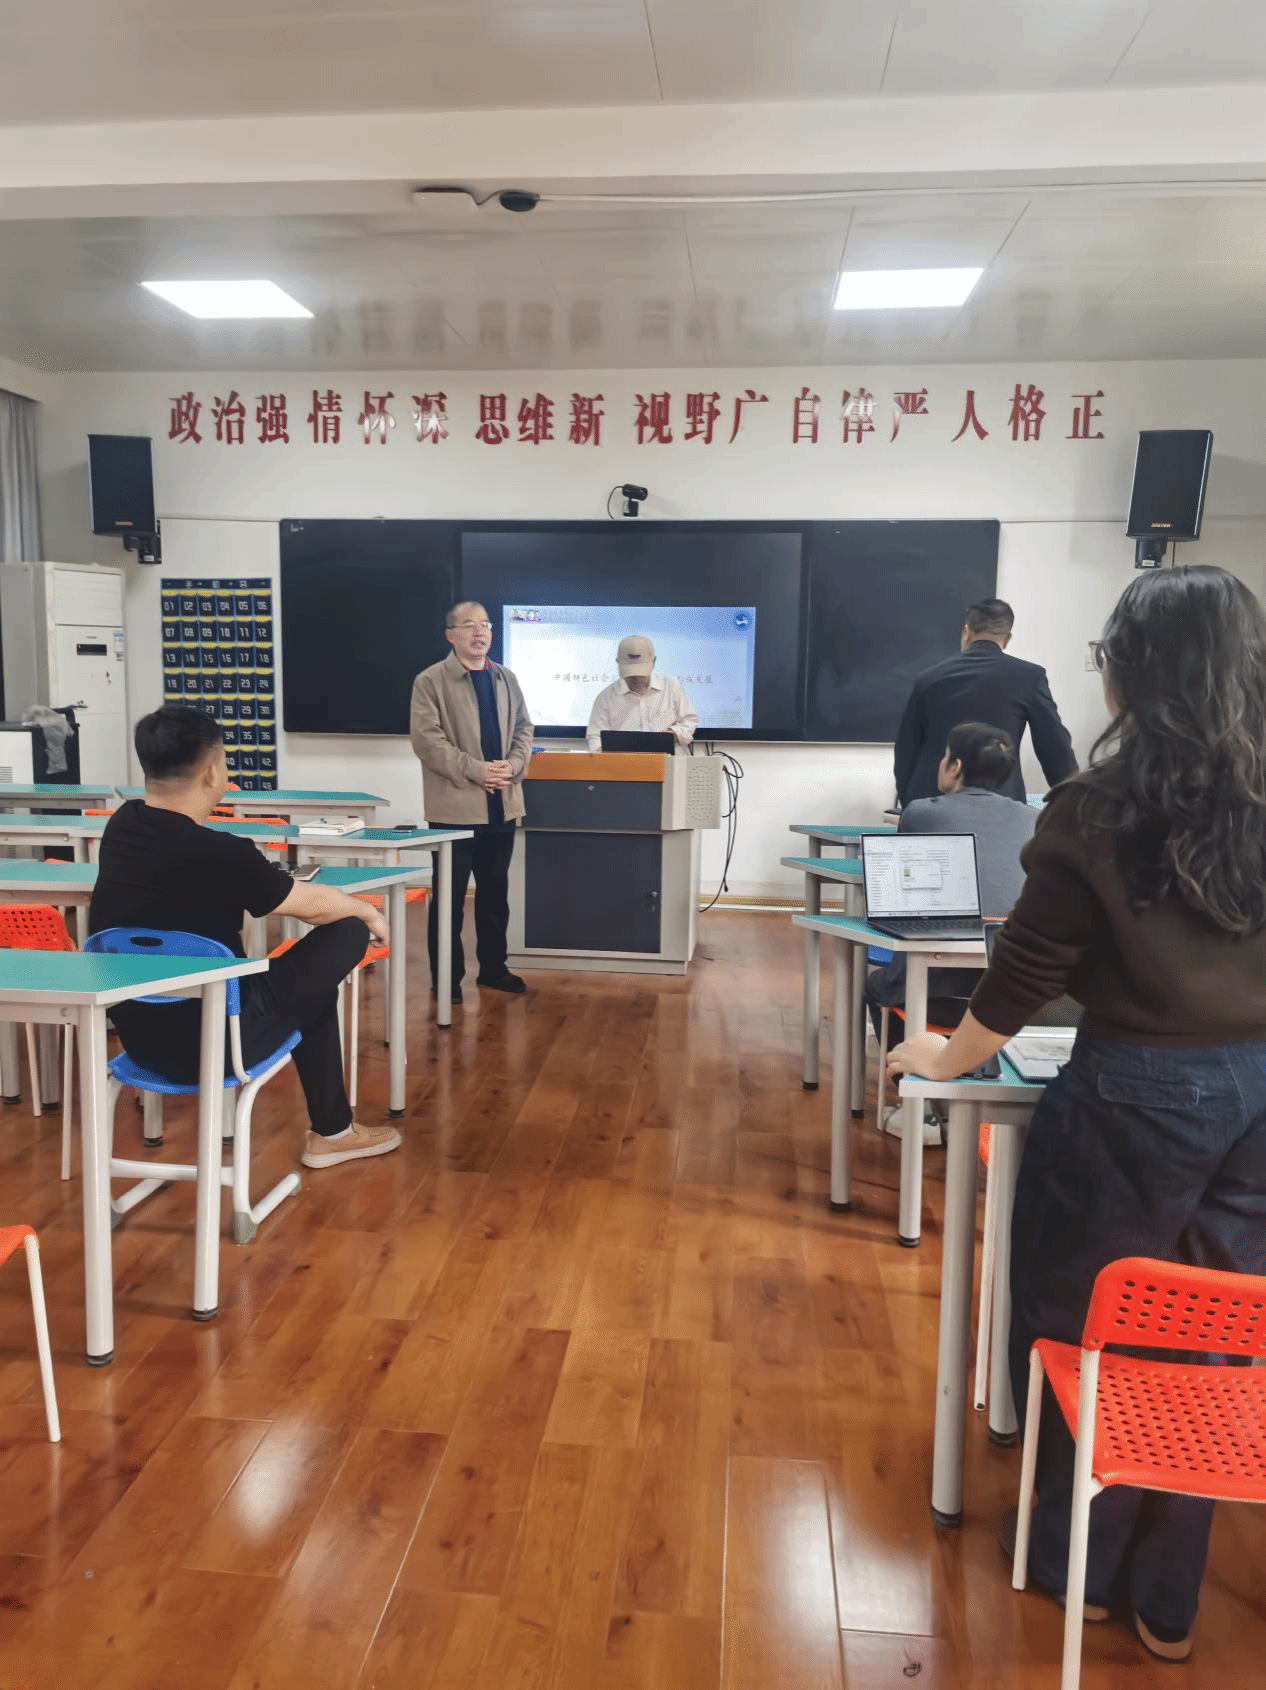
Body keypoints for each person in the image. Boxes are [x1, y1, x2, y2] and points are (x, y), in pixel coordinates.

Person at [887, 566, 1266, 1666]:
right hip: (1260, 1097)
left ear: (1129, 674)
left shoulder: (1099, 806)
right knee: (1216, 1330)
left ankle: (1075, 1570)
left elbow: (1021, 974)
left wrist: (942, 1054)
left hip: (1136, 1091)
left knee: (1085, 1320)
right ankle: (1167, 1597)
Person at [89, 705, 400, 1169]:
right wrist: (366, 911)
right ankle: (333, 1133)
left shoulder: (120, 828)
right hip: (219, 1042)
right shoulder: (224, 853)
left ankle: (335, 1131)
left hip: (139, 1041)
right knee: (347, 932)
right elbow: (311, 905)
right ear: (212, 771)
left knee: (310, 992)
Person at [867, 721, 1036, 1141]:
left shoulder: (921, 812)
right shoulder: (1036, 819)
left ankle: (921, 1111)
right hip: (1014, 994)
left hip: (936, 989)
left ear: (955, 766)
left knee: (876, 986)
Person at [409, 601, 534, 997]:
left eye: (485, 625)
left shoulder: (505, 677)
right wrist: (476, 770)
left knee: (495, 895)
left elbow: (524, 728)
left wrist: (513, 765)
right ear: (451, 635)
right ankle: (446, 982)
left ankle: (493, 969)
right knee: (448, 900)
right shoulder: (430, 681)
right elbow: (428, 742)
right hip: (454, 811)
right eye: (469, 625)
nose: (480, 632)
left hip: (502, 804)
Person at [894, 597, 1077, 805]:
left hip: (931, 800)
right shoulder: (1030, 678)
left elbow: (905, 751)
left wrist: (909, 802)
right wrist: (1072, 802)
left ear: (966, 633)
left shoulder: (928, 679)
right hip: (1000, 801)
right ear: (1007, 639)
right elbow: (1055, 749)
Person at [586, 635, 698, 751]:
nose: (636, 679)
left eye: (641, 673)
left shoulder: (672, 686)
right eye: (630, 674)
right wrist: (608, 754)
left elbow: (689, 721)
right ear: (617, 662)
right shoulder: (605, 698)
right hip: (626, 761)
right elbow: (595, 737)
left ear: (654, 662)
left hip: (670, 759)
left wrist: (670, 736)